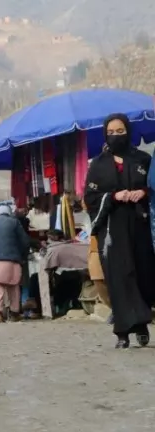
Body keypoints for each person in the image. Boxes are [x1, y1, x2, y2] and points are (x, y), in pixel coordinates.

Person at [88, 113, 155, 348]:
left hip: (140, 225)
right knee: (119, 276)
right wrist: (113, 196)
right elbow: (90, 197)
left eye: (121, 131)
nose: (116, 136)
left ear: (128, 131)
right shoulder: (97, 165)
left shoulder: (143, 160)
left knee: (143, 273)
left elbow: (152, 187)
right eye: (111, 132)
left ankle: (142, 323)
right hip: (112, 228)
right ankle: (123, 331)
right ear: (105, 134)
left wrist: (143, 193)